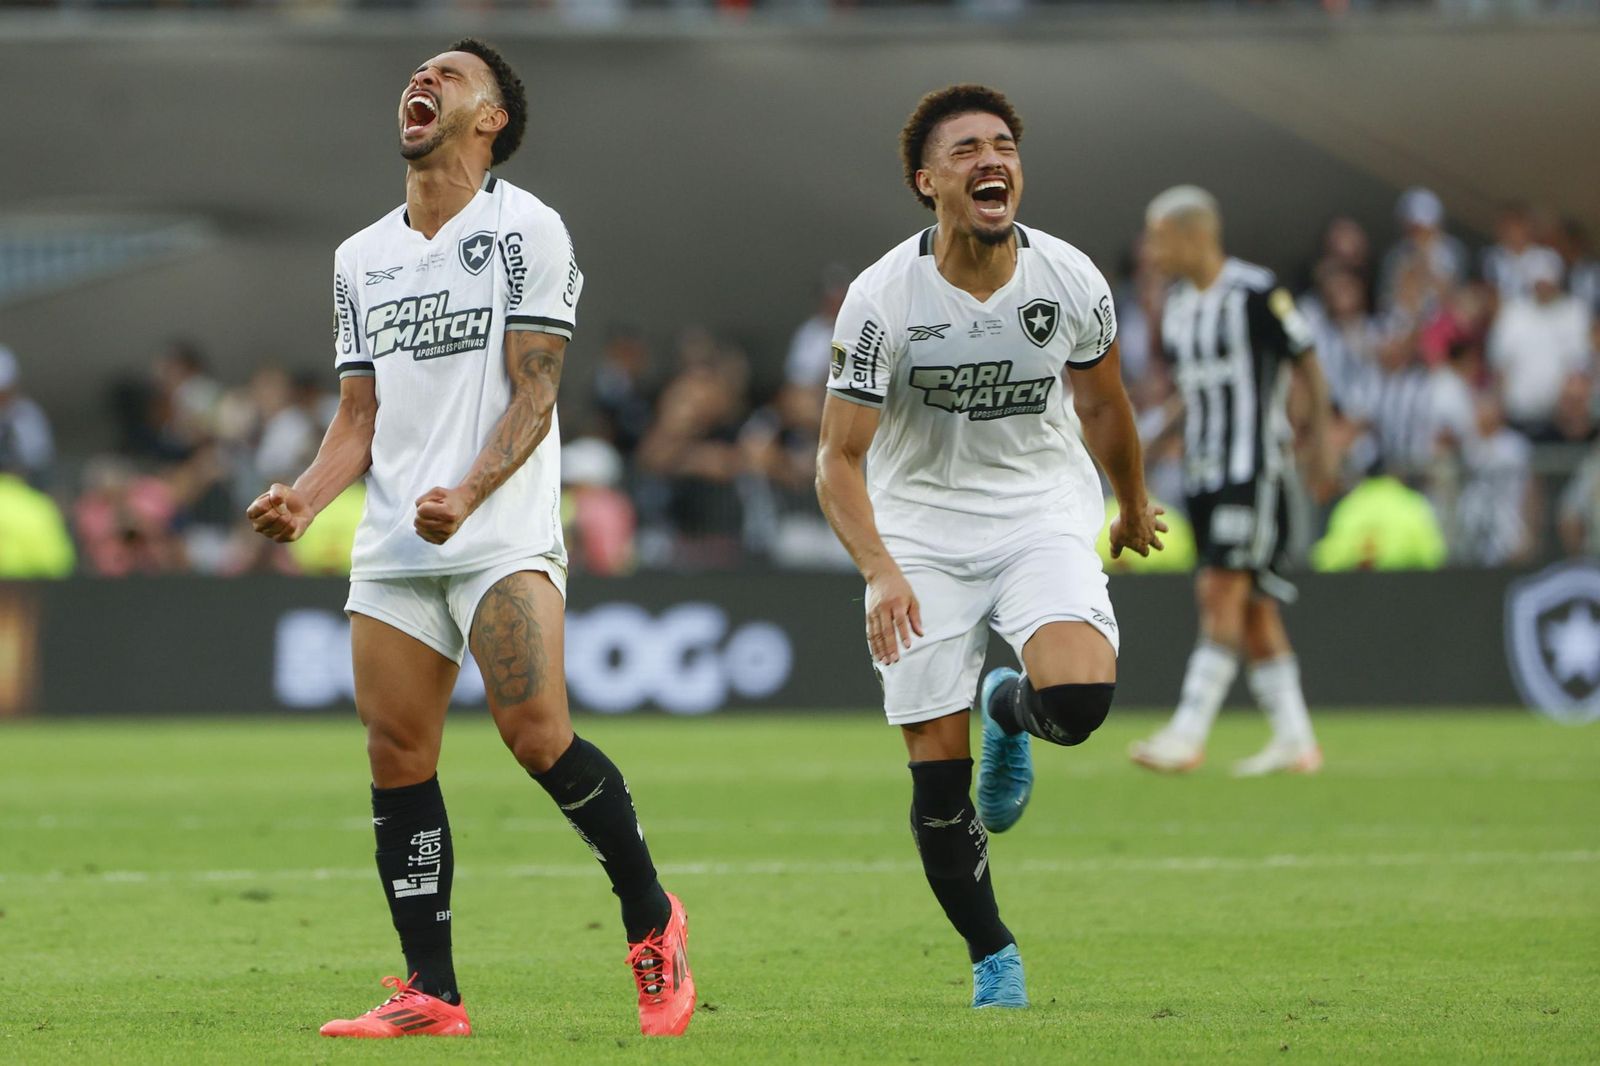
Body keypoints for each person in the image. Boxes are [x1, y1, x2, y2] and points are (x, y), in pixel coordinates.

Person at [246, 39, 694, 1040]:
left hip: (499, 534)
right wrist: (307, 499)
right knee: (396, 752)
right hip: (398, 548)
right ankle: (430, 990)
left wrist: (471, 489)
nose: (422, 79)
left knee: (537, 737)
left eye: (448, 75)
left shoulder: (526, 227)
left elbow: (538, 389)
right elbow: (356, 415)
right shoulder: (357, 257)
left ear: (491, 118)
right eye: (415, 72)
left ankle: (650, 918)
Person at [815, 85, 1165, 1009]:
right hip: (919, 532)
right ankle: (992, 952)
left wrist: (1129, 503)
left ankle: (1011, 708)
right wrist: (882, 570)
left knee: (1082, 699)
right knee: (937, 775)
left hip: (1038, 510)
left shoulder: (1070, 279)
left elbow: (1102, 404)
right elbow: (836, 461)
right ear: (928, 182)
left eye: (1002, 144)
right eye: (965, 150)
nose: (989, 160)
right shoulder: (882, 300)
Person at [1128, 186, 1336, 778]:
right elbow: (1192, 393)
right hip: (1201, 473)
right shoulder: (1178, 306)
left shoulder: (1255, 291)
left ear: (1195, 235)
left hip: (1253, 470)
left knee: (1219, 590)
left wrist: (1320, 448)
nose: (1152, 251)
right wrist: (1145, 443)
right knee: (1252, 610)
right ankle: (1297, 741)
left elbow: (1310, 365)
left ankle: (1187, 733)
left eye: (1160, 237)